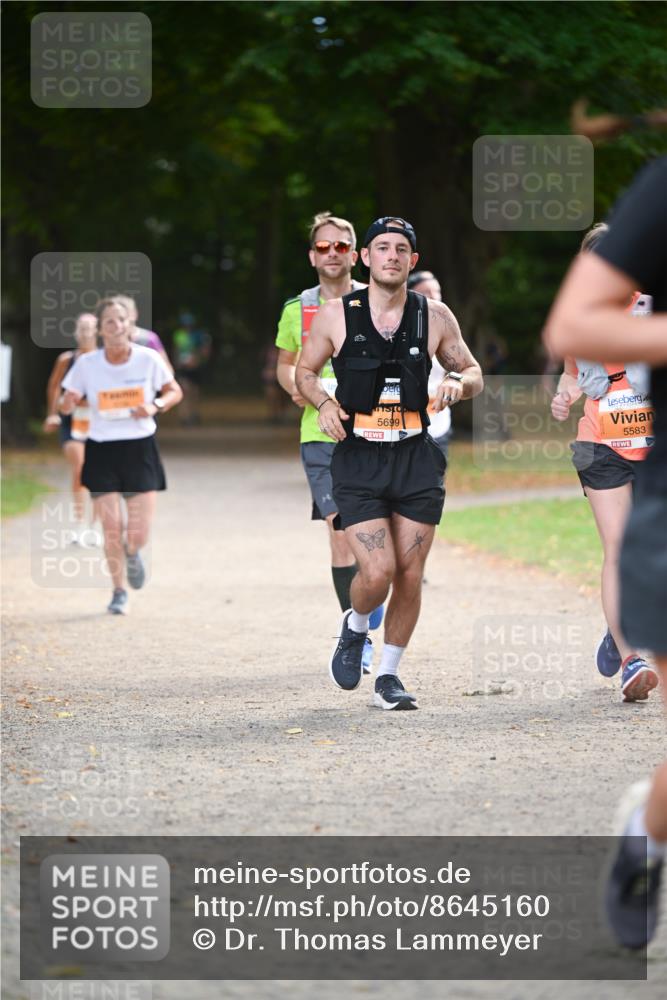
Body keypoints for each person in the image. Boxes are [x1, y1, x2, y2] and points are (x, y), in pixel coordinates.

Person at [546, 157, 666, 951]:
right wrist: (569, 394)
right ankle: (649, 837)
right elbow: (572, 334)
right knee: (617, 546)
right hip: (617, 452)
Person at [296, 216, 483, 710]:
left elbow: (472, 370)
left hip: (416, 456)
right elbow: (304, 372)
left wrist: (456, 384)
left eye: (402, 249)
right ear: (366, 258)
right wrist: (324, 404)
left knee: (410, 572)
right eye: (383, 247)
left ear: (413, 261)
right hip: (358, 458)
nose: (393, 256)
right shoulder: (335, 315)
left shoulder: (435, 315)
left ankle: (388, 676)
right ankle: (355, 625)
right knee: (377, 571)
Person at [550, 222, 656, 700]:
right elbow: (572, 377)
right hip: (600, 443)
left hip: (654, 444)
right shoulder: (578, 319)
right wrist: (563, 396)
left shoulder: (652, 307)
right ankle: (632, 659)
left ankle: (619, 626)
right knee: (617, 548)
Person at [275, 212, 381, 672]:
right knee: (341, 531)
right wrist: (298, 387)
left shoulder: (377, 300)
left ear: (355, 253)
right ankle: (356, 633)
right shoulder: (297, 309)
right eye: (324, 247)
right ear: (312, 256)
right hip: (319, 435)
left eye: (342, 246)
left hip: (376, 431)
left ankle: (366, 601)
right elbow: (285, 364)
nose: (333, 253)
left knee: (374, 539)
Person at [60, 297, 182, 615]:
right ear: (100, 330)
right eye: (111, 322)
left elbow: (174, 391)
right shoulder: (87, 364)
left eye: (123, 320)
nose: (118, 327)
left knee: (137, 532)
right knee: (111, 527)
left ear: (131, 324)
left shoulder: (148, 359)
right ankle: (118, 591)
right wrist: (68, 402)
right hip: (101, 449)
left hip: (140, 447)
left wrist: (154, 406)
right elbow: (63, 403)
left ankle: (132, 551)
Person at [42, 312, 99, 544]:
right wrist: (53, 414)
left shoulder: (103, 359)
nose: (85, 332)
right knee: (79, 468)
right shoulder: (67, 359)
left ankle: (94, 526)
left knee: (97, 471)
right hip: (71, 422)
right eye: (81, 328)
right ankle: (79, 523)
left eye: (89, 328)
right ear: (76, 332)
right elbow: (54, 387)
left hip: (98, 422)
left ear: (98, 332)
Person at [407, 270, 452, 460]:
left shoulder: (446, 330)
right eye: (425, 292)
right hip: (403, 427)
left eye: (436, 292)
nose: (433, 297)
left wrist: (455, 380)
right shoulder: (396, 330)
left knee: (433, 486)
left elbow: (464, 371)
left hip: (438, 424)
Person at [114, 295, 173, 373]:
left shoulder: (149, 338)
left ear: (135, 314)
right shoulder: (108, 339)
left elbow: (167, 370)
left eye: (126, 313)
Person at [172, 312, 211, 426]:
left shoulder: (199, 335)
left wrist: (197, 359)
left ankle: (194, 414)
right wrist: (177, 364)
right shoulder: (179, 335)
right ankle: (184, 416)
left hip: (196, 367)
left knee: (195, 392)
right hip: (183, 368)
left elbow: (205, 351)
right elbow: (177, 350)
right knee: (185, 391)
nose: (187, 327)